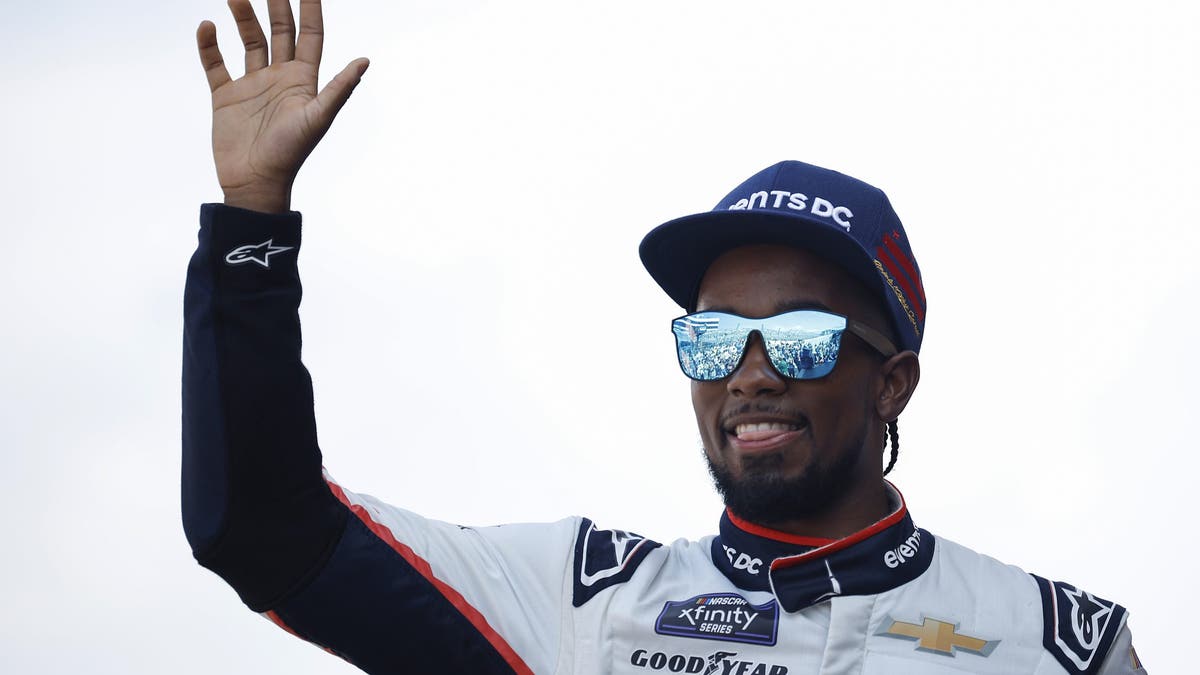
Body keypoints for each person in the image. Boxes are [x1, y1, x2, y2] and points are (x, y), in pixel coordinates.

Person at [183, 1, 1146, 673]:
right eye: (714, 338)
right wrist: (253, 221)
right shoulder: (580, 606)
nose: (749, 374)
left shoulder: (1060, 644)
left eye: (801, 339)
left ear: (892, 382)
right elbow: (266, 534)